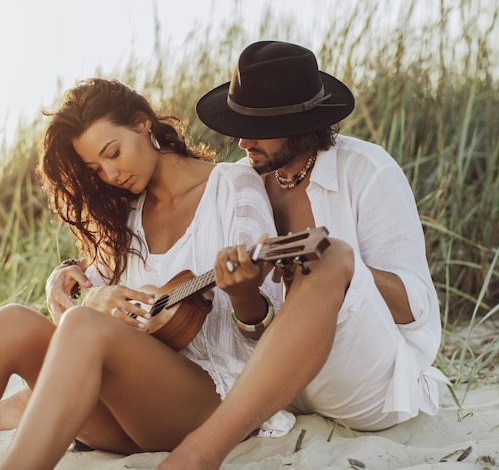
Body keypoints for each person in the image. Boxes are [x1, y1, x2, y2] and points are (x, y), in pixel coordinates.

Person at [0, 78, 284, 469]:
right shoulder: (127, 216)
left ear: (143, 124)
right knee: (13, 322)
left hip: (212, 402)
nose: (110, 174)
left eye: (113, 153)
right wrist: (89, 297)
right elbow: (79, 330)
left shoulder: (233, 185)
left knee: (84, 324)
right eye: (95, 168)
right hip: (127, 417)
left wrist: (243, 296)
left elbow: (270, 328)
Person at [157, 40, 449, 469]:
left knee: (329, 259)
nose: (242, 141)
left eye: (257, 126)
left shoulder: (369, 171)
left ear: (302, 123)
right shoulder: (240, 183)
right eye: (239, 123)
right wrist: (244, 299)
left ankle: (200, 456)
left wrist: (339, 271)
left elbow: (416, 307)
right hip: (276, 391)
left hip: (368, 380)